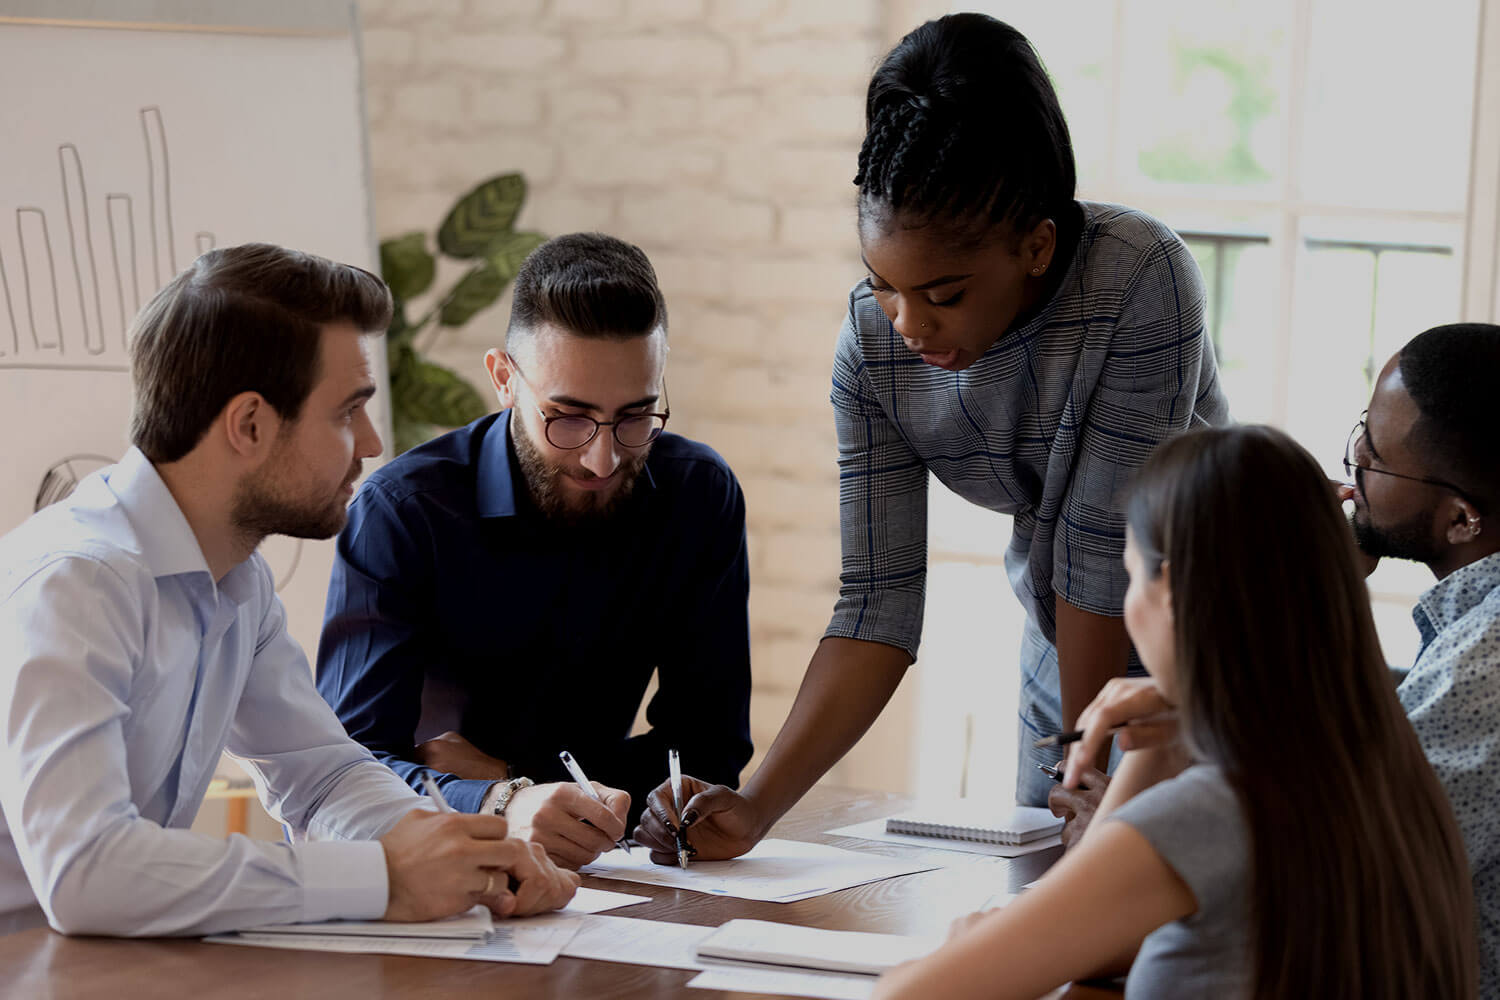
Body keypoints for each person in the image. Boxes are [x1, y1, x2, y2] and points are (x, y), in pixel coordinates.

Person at [635, 12, 1229, 862]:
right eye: (883, 285)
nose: (908, 321)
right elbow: (877, 602)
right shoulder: (872, 346)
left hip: (1210, 643)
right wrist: (757, 806)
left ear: (1035, 245)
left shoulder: (1139, 277)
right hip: (1064, 649)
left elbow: (1102, 565)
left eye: (944, 294)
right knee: (1054, 914)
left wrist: (1086, 773)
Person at [0, 244, 577, 937]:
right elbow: (85, 873)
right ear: (249, 425)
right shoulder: (78, 583)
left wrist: (471, 856)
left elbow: (322, 775)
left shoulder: (236, 580)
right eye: (346, 413)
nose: (369, 442)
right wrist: (381, 878)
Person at [872, 425, 1477, 1000]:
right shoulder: (1389, 767)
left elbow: (915, 991)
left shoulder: (1217, 809)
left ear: (1174, 587)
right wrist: (1157, 742)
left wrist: (966, 941)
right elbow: (1099, 934)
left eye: (1130, 576)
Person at [317, 233, 752, 869]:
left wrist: (510, 778)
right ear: (503, 379)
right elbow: (347, 769)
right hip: (429, 875)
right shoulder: (404, 513)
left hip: (609, 881)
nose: (602, 458)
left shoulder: (697, 494)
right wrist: (498, 802)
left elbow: (710, 748)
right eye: (567, 417)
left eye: (636, 417)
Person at [1340, 322, 1500, 996]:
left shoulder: (1483, 667)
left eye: (1374, 455)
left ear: (1462, 519)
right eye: (1360, 429)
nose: (1350, 460)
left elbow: (1341, 880)